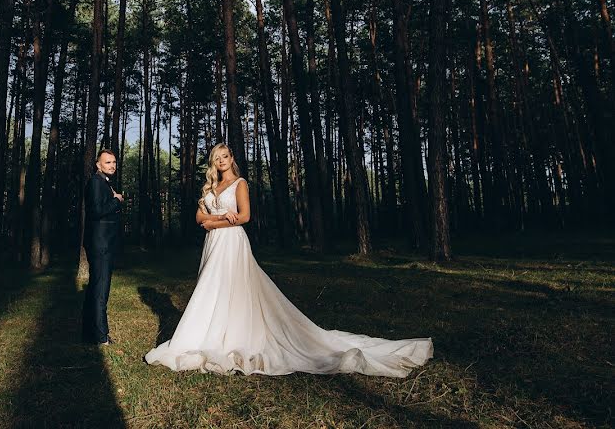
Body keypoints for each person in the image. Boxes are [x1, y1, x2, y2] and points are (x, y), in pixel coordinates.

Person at [144, 143, 433, 377]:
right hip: (214, 244)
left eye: (225, 156)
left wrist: (213, 222)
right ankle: (207, 332)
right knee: (210, 288)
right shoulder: (210, 187)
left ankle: (234, 333)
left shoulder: (240, 183)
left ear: (232, 159)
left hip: (232, 244)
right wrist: (218, 219)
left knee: (234, 288)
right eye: (216, 157)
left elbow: (244, 217)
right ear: (213, 162)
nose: (221, 161)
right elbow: (198, 218)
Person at [81, 149, 124, 345]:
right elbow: (96, 212)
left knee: (96, 289)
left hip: (102, 244)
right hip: (101, 245)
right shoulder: (96, 182)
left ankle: (90, 333)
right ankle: (100, 336)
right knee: (100, 290)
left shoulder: (103, 183)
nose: (112, 165)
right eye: (107, 162)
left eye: (114, 162)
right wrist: (117, 201)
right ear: (98, 165)